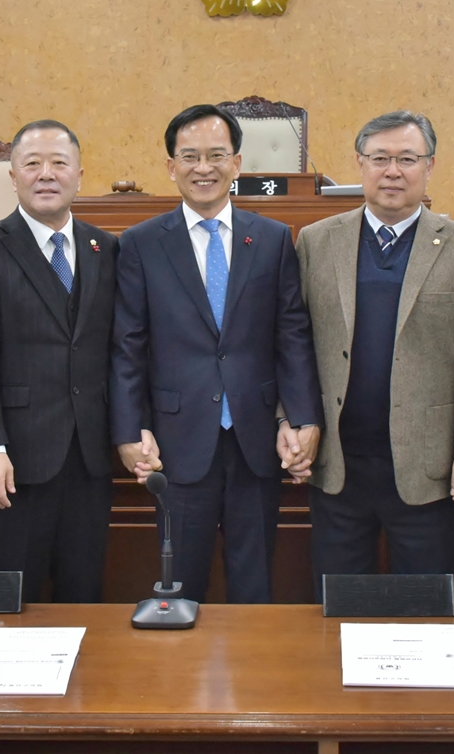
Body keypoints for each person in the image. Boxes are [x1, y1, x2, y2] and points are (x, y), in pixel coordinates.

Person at [109, 103, 323, 603]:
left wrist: (302, 416)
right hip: (176, 440)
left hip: (255, 441)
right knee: (180, 585)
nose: (203, 168)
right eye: (189, 156)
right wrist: (128, 428)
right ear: (170, 166)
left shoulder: (270, 239)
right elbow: (127, 346)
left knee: (255, 583)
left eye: (216, 155)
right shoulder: (141, 244)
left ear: (238, 164)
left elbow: (291, 335)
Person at [296, 111, 454, 593]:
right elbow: (293, 344)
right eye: (379, 158)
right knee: (337, 608)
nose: (392, 171)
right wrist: (291, 420)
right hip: (337, 463)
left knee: (427, 609)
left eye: (407, 158)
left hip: (427, 467)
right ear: (360, 164)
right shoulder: (316, 242)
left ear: (428, 166)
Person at [0, 120, 119, 604]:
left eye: (59, 163)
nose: (46, 174)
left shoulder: (104, 247)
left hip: (90, 454)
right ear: (13, 176)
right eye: (33, 164)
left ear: (80, 175)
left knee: (85, 591)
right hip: (16, 459)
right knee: (15, 598)